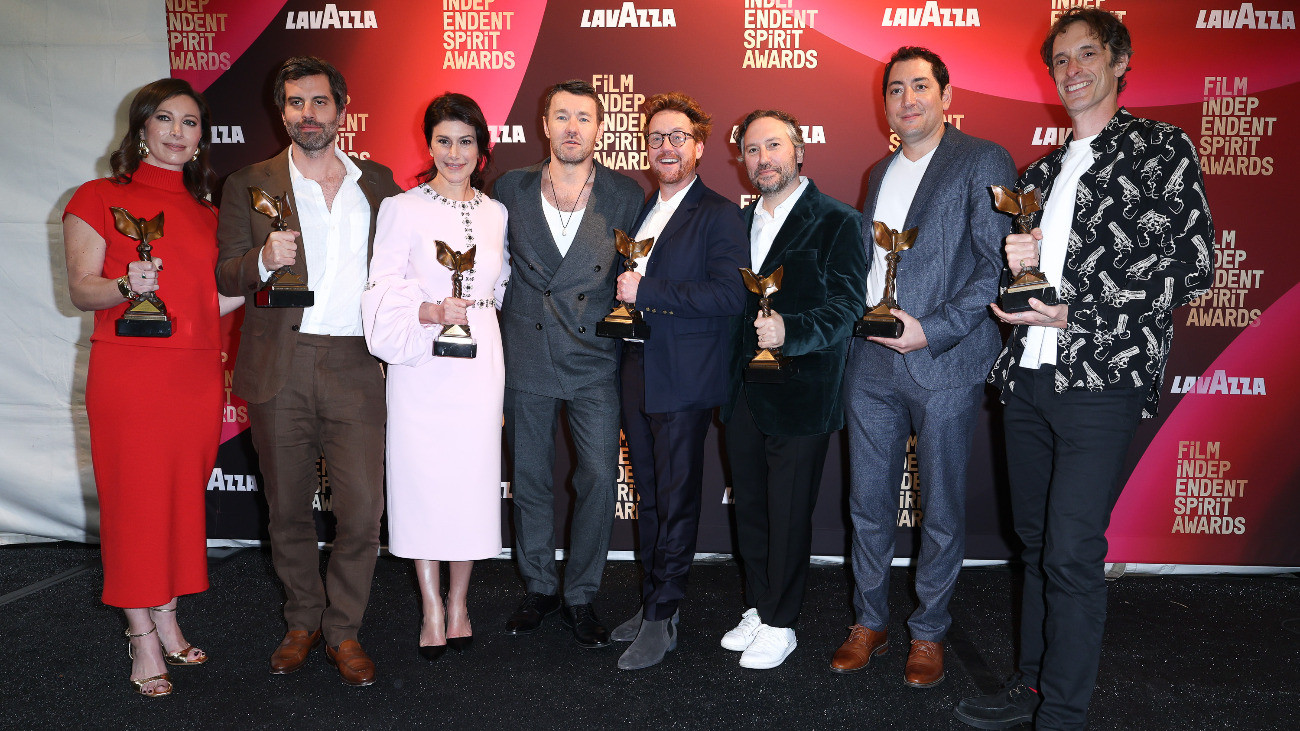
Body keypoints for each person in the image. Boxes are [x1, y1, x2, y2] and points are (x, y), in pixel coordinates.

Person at [955, 9, 1214, 729]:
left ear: (1120, 61)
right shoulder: (1040, 171)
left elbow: (1191, 265)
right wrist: (1019, 272)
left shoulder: (1163, 149)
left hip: (1102, 379)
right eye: (1060, 59)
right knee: (1035, 544)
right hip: (1029, 378)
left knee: (1070, 550)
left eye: (1087, 54)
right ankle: (1034, 684)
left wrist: (1075, 310)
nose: (1071, 69)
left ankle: (1063, 713)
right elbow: (1035, 280)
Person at [216, 56, 402, 687]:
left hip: (356, 360)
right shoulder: (248, 181)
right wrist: (261, 260)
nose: (307, 115)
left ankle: (344, 629)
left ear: (340, 109)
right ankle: (303, 620)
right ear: (282, 111)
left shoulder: (378, 183)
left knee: (361, 511)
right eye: (295, 103)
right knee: (288, 507)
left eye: (319, 102)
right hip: (280, 362)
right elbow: (224, 273)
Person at [832, 48, 1015, 687]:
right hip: (872, 366)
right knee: (867, 502)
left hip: (944, 364)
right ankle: (870, 618)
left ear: (944, 94)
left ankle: (930, 629)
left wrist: (929, 331)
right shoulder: (878, 171)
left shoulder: (982, 160)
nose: (907, 99)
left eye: (919, 86)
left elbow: (993, 268)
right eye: (895, 89)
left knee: (939, 508)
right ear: (884, 104)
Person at [62, 78, 243, 697]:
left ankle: (168, 616)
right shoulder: (96, 196)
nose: (175, 131)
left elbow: (209, 301)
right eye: (164, 119)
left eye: (189, 122)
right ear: (140, 128)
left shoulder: (209, 214)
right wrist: (124, 287)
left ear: (200, 139)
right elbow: (81, 289)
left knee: (178, 500)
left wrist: (271, 271)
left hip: (192, 376)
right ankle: (141, 634)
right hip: (130, 377)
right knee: (135, 501)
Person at [492, 79, 645, 648]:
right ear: (545, 125)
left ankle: (581, 593)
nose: (573, 128)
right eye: (562, 117)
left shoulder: (627, 196)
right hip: (527, 355)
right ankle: (539, 585)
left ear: (600, 128)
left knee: (600, 478)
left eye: (584, 117)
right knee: (529, 479)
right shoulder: (509, 186)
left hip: (594, 360)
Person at [361, 93, 509, 661]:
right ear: (429, 145)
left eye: (465, 141)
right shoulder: (402, 208)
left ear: (481, 148)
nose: (454, 153)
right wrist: (428, 313)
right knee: (421, 480)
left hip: (478, 363)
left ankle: (460, 603)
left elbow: (496, 289)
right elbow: (381, 288)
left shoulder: (497, 212)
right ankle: (428, 604)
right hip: (422, 364)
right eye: (444, 141)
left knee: (471, 479)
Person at [720, 109, 867, 670]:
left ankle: (782, 623)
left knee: (787, 512)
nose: (763, 159)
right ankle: (760, 607)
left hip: (803, 389)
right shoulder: (739, 224)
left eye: (774, 146)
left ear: (799, 150)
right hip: (742, 390)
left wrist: (791, 331)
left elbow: (849, 306)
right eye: (752, 150)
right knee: (752, 510)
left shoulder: (838, 220)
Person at [606, 92, 747, 670]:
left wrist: (649, 292)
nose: (666, 146)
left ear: (697, 145)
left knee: (676, 498)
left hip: (684, 377)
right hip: (637, 369)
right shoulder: (642, 210)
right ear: (647, 146)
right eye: (657, 137)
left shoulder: (717, 213)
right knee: (651, 499)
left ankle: (664, 616)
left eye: (677, 137)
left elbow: (731, 295)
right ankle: (652, 603)